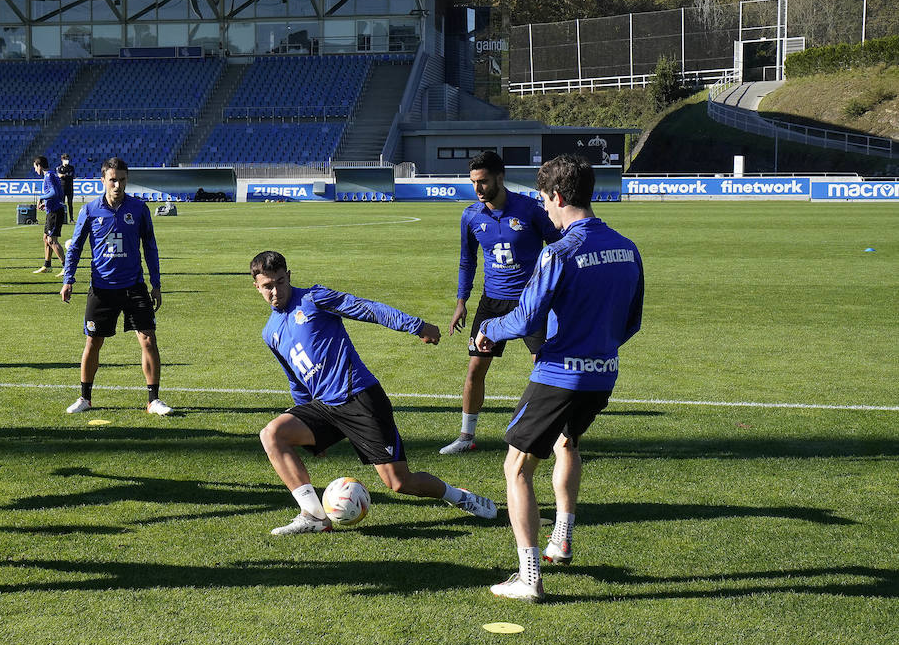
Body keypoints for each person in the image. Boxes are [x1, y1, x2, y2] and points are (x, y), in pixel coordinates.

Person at [475, 154, 644, 603]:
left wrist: (488, 330)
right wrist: (597, 351)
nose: (545, 210)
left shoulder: (560, 251)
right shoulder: (627, 247)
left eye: (546, 200)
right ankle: (562, 540)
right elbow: (632, 322)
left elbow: (527, 316)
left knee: (516, 467)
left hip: (560, 374)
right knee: (566, 443)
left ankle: (529, 576)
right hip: (603, 376)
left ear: (559, 196)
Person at [250, 250, 499, 535]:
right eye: (268, 286)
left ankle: (460, 496)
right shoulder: (270, 332)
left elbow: (367, 308)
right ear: (257, 286)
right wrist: (310, 431)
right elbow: (295, 379)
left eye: (281, 282)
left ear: (289, 276)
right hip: (324, 407)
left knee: (400, 482)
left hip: (360, 397)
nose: (276, 291)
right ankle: (314, 516)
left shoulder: (314, 298)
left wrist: (416, 326)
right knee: (272, 434)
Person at [441, 151, 561, 455]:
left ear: (499, 177)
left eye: (483, 182)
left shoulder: (531, 210)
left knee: (545, 369)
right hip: (491, 303)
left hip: (531, 303)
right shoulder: (470, 216)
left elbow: (559, 248)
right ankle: (466, 437)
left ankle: (558, 439)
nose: (478, 189)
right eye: (473, 183)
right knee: (474, 370)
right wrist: (461, 301)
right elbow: (467, 261)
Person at [60, 157, 170, 416]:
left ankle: (153, 400)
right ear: (103, 181)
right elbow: (74, 247)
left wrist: (156, 283)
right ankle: (85, 398)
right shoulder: (89, 210)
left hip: (134, 286)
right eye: (112, 180)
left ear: (126, 180)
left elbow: (150, 247)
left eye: (121, 180)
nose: (117, 185)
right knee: (93, 343)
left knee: (148, 340)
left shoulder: (139, 209)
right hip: (101, 289)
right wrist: (68, 279)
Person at [32, 155, 66, 274]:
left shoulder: (49, 176)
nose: (35, 170)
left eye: (35, 167)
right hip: (52, 210)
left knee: (52, 240)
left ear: (39, 166)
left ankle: (66, 267)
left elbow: (54, 192)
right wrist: (46, 204)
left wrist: (41, 198)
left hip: (55, 212)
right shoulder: (51, 174)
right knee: (46, 239)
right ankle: (47, 266)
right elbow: (58, 193)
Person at [56, 152, 76, 221]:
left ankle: (71, 218)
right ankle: (62, 218)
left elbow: (72, 175)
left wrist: (64, 175)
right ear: (62, 160)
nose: (67, 160)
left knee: (70, 204)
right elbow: (59, 176)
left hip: (70, 188)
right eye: (65, 159)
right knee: (62, 203)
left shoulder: (71, 168)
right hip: (62, 188)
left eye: (67, 159)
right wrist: (66, 175)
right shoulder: (59, 168)